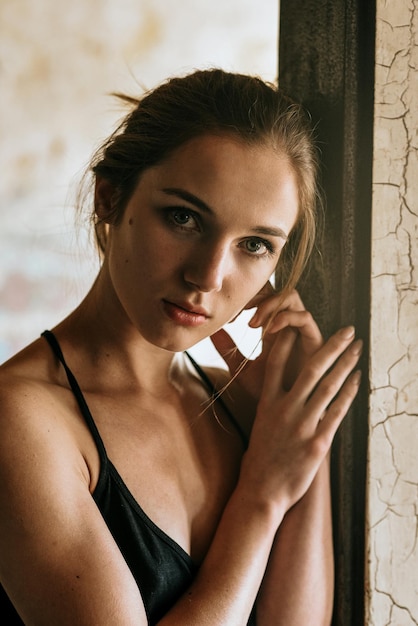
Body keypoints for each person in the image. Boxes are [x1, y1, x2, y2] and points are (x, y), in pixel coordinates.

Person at [0, 68, 362, 625]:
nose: (209, 275)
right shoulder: (21, 420)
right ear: (110, 197)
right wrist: (262, 497)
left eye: (255, 245)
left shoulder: (245, 413)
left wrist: (295, 416)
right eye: (184, 217)